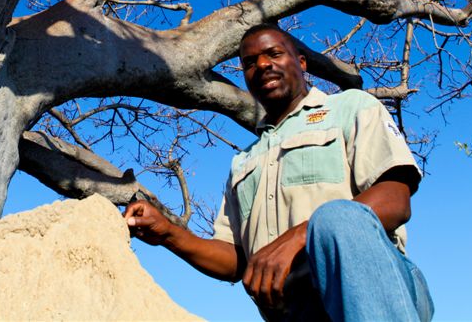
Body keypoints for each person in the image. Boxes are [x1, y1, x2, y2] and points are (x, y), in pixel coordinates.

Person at [124, 24, 434, 321]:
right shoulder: (242, 163)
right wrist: (168, 233)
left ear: (301, 63)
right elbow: (237, 260)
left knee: (337, 217)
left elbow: (396, 198)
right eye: (249, 63)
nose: (261, 65)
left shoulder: (350, 107)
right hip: (294, 312)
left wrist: (300, 236)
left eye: (274, 54)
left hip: (372, 291)